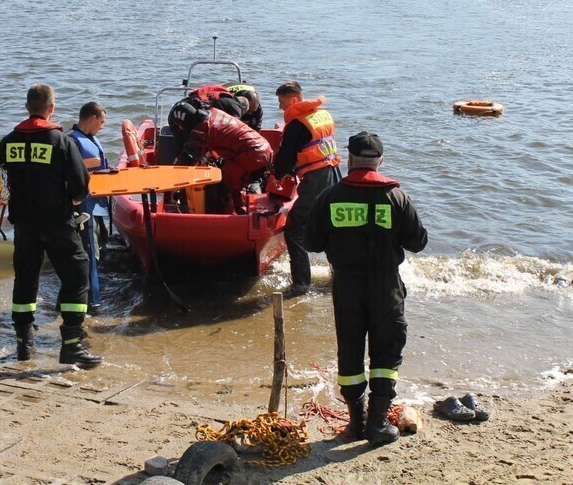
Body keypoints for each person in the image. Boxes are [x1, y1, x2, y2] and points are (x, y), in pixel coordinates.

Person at [304, 132, 428, 445]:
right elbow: (418, 242)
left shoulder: (329, 197)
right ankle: (377, 425)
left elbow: (311, 243)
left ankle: (355, 424)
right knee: (387, 351)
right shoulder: (396, 197)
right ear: (380, 161)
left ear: (349, 160)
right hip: (386, 285)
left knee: (350, 352)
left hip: (346, 286)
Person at [0, 83, 102, 367]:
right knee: (77, 275)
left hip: (25, 226)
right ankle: (71, 344)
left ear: (27, 107)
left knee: (25, 280)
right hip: (57, 223)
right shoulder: (61, 141)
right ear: (51, 108)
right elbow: (80, 187)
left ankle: (24, 343)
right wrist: (74, 201)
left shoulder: (8, 141)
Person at [273, 81, 341, 294]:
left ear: (294, 100)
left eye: (282, 102)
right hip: (334, 174)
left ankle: (301, 284)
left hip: (315, 179)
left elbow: (284, 159)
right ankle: (338, 277)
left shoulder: (296, 124)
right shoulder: (322, 116)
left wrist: (275, 176)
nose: (280, 108)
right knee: (331, 227)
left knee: (294, 229)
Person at [170, 101, 273, 214]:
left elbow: (187, 160)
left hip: (251, 155)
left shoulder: (201, 129)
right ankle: (239, 209)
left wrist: (173, 183)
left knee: (223, 185)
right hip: (264, 148)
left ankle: (223, 215)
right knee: (228, 177)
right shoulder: (213, 112)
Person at [68, 102, 110, 307]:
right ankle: (91, 302)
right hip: (84, 208)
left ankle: (93, 294)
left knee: (99, 247)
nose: (103, 127)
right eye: (101, 122)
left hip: (98, 205)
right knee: (89, 254)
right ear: (92, 119)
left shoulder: (91, 139)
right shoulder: (72, 141)